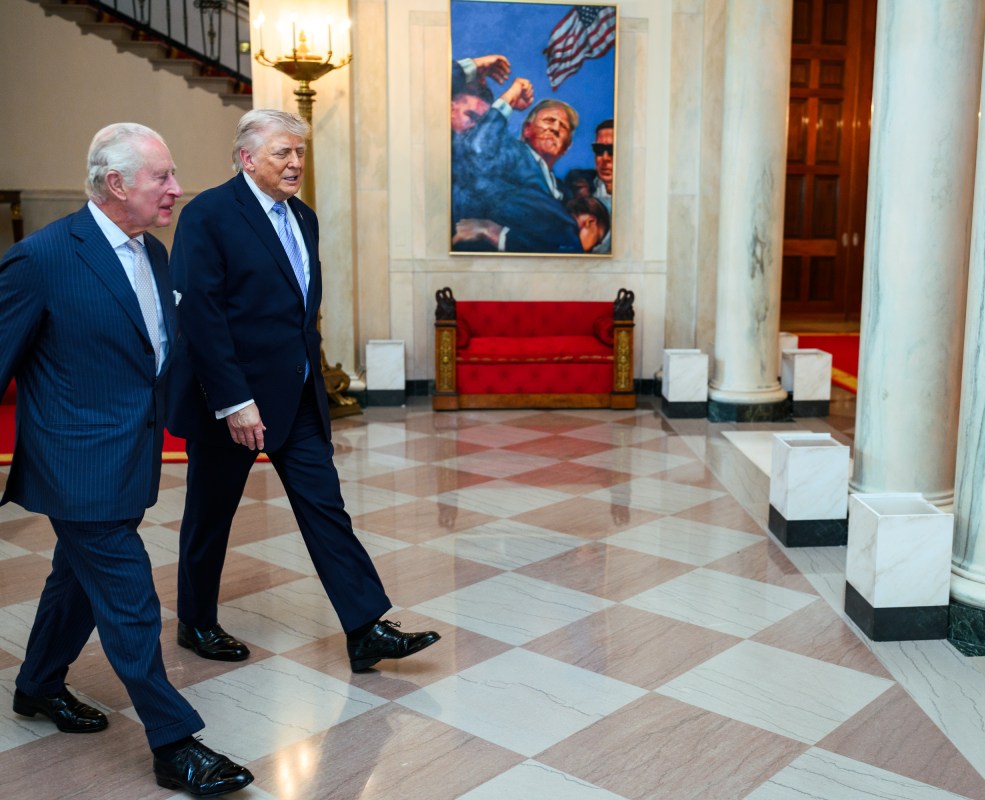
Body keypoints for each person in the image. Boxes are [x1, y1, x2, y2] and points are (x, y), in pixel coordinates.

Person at [0, 123, 253, 796]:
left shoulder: (156, 254)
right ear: (117, 185)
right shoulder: (43, 258)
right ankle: (174, 744)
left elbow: (152, 357)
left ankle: (37, 685)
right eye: (162, 177)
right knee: (131, 600)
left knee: (74, 581)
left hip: (129, 459)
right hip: (74, 465)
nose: (176, 189)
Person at [166, 109, 440, 672]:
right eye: (282, 154)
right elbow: (202, 316)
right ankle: (195, 621)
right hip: (229, 402)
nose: (295, 164)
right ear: (247, 158)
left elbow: (300, 311)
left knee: (326, 508)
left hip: (297, 394)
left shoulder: (304, 217)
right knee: (210, 515)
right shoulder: (209, 215)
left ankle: (365, 628)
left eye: (300, 153)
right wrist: (235, 401)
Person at [452, 98, 585, 252]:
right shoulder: (512, 153)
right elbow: (477, 149)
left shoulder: (566, 194)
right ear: (527, 130)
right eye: (549, 120)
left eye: (563, 127)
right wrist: (509, 99)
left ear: (565, 148)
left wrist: (499, 234)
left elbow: (565, 248)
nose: (555, 128)